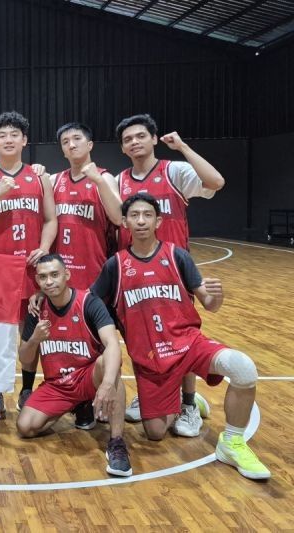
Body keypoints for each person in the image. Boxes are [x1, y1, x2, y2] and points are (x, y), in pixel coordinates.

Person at [91, 193, 271, 480]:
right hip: (151, 359)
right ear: (124, 222)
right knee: (155, 434)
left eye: (147, 215)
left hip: (188, 344)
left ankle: (232, 442)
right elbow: (90, 301)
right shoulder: (116, 265)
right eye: (134, 215)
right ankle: (185, 399)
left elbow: (209, 304)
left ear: (158, 221)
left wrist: (217, 298)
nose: (140, 221)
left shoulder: (177, 256)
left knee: (243, 368)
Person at [115, 114, 224, 426]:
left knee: (182, 337)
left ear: (153, 138)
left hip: (173, 271)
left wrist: (183, 148)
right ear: (123, 148)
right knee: (139, 338)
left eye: (140, 136)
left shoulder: (174, 170)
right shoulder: (119, 182)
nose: (134, 142)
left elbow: (215, 182)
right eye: (127, 139)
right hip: (134, 273)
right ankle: (149, 394)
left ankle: (188, 403)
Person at [18, 122, 122, 424]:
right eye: (65, 141)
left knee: (96, 344)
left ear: (90, 144)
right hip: (60, 278)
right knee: (56, 340)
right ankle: (70, 400)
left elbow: (119, 217)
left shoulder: (104, 178)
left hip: (95, 277)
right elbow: (45, 220)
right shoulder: (55, 180)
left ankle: (95, 397)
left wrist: (99, 183)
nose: (72, 144)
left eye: (77, 139)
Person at [0, 111, 57, 422]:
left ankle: (28, 389)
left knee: (30, 333)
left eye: (14, 134)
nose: (9, 139)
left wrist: (44, 249)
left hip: (31, 270)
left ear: (24, 140)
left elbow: (50, 219)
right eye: (2, 135)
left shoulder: (40, 176)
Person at [16, 254, 131, 477]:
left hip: (88, 376)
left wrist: (107, 384)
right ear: (37, 281)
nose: (49, 281)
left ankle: (117, 443)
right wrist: (34, 340)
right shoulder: (36, 310)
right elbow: (24, 358)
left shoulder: (89, 302)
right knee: (25, 426)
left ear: (66, 275)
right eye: (42, 277)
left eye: (54, 275)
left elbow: (112, 344)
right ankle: (78, 405)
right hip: (57, 384)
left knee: (109, 363)